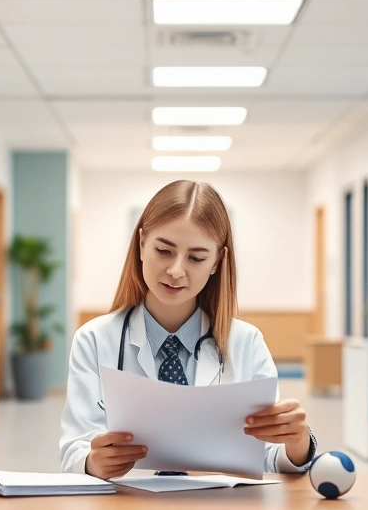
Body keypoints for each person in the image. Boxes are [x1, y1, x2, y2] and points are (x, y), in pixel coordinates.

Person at [59, 180, 317, 478]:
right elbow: (74, 452)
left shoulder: (246, 343)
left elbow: (269, 456)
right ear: (142, 244)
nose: (176, 270)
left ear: (218, 261)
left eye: (196, 258)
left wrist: (297, 442)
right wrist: (93, 462)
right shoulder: (94, 340)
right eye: (164, 251)